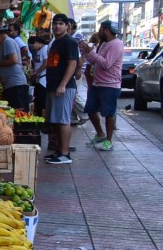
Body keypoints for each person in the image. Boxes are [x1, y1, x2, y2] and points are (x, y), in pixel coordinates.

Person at [81, 20, 125, 151]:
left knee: (108, 113)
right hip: (97, 83)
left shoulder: (116, 44)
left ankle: (109, 141)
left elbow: (106, 64)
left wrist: (91, 52)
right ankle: (100, 134)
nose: (98, 32)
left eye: (100, 30)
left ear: (105, 30)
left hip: (110, 85)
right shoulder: (103, 44)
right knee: (90, 109)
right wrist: (87, 52)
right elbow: (95, 61)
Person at [44, 13, 80, 164]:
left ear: (67, 26)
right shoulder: (56, 42)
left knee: (63, 120)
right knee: (56, 120)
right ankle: (59, 151)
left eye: (61, 24)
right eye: (55, 23)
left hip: (64, 87)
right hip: (53, 86)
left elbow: (73, 64)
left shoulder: (69, 42)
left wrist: (63, 84)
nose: (57, 26)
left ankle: (65, 154)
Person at [0, 25, 29, 109]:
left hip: (15, 84)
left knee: (19, 111)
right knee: (15, 111)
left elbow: (13, 60)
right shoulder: (5, 43)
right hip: (12, 84)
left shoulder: (8, 42)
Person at [27, 35, 50, 116]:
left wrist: (36, 72)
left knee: (42, 100)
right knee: (37, 99)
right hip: (37, 79)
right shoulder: (37, 50)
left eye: (32, 46)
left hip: (43, 79)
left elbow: (46, 63)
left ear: (36, 43)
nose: (32, 48)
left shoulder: (45, 49)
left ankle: (43, 117)